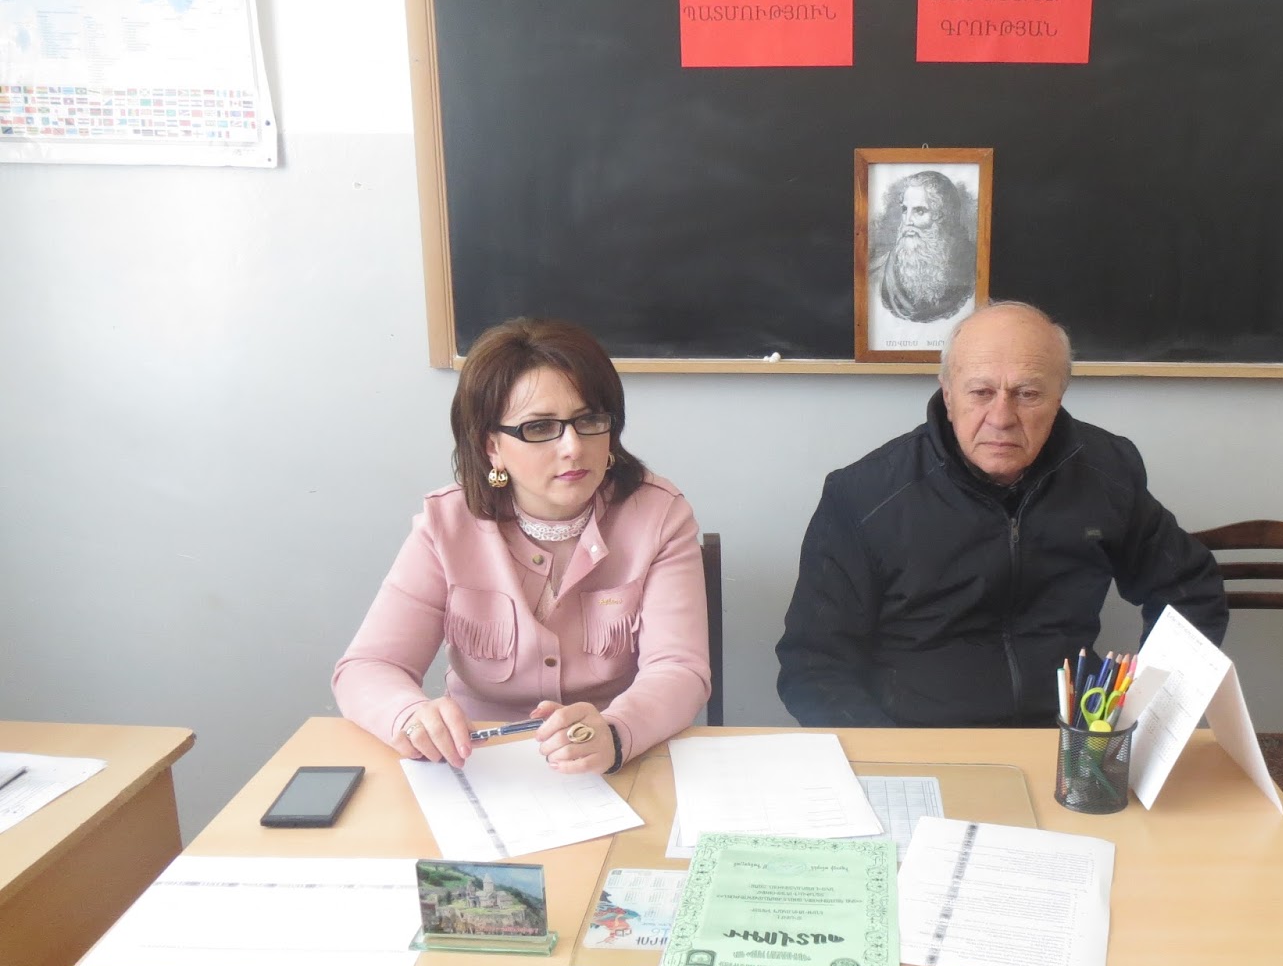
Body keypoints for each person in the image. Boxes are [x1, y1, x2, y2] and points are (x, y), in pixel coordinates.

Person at [776, 300, 1227, 729]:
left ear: (1059, 397)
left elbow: (1189, 588)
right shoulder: (864, 495)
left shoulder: (1107, 471)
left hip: (1067, 739)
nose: (1002, 417)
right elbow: (814, 664)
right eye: (981, 392)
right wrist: (890, 758)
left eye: (1027, 394)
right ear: (948, 395)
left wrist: (1148, 715)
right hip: (917, 737)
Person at [334, 318, 710, 774]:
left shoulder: (659, 515)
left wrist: (615, 731)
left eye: (589, 420)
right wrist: (411, 715)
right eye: (539, 427)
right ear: (491, 446)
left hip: (615, 762)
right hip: (478, 767)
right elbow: (368, 666)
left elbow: (679, 669)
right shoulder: (446, 525)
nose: (573, 447)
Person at [874, 170, 977, 324]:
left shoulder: (973, 269)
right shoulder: (878, 271)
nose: (907, 221)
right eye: (905, 210)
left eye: (919, 211)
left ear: (941, 217)